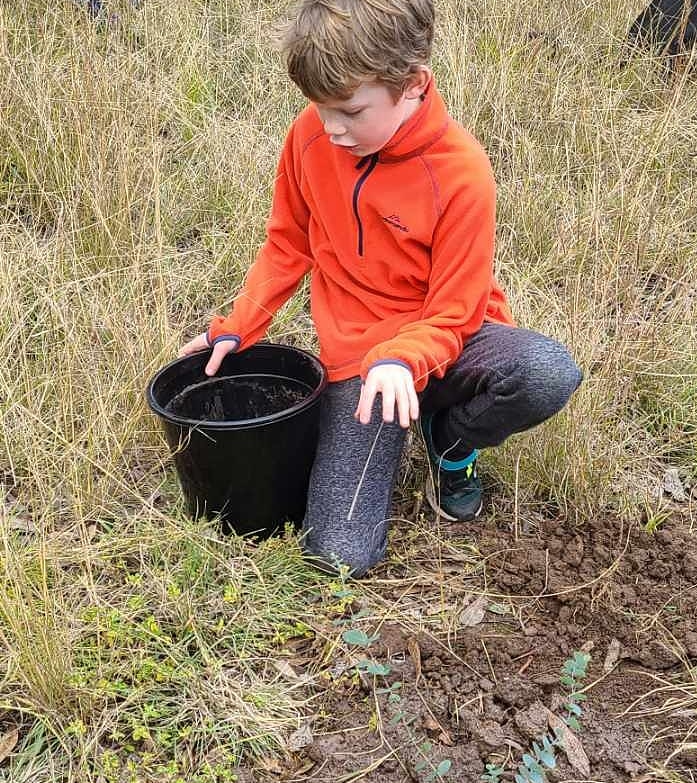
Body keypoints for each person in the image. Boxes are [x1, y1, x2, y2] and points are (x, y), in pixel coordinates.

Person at [178, 0, 582, 577]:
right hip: (360, 364)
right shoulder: (309, 139)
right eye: (319, 109)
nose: (332, 128)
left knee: (545, 373)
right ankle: (386, 426)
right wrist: (239, 327)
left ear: (413, 84)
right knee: (340, 556)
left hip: (450, 341)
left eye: (350, 110)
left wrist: (403, 358)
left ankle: (450, 439)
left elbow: (455, 310)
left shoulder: (462, 173)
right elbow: (288, 242)